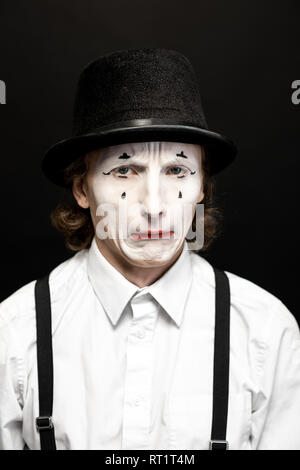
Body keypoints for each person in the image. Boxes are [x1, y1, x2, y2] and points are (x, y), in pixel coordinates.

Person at [0, 48, 299, 451]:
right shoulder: (14, 332)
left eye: (177, 170)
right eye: (125, 170)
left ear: (200, 188)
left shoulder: (267, 331)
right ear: (82, 188)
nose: (155, 205)